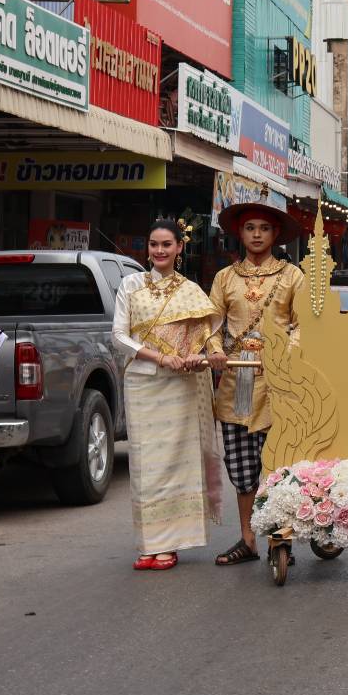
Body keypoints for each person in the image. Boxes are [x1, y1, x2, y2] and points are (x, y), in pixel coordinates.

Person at [112, 219, 226, 570]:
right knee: (145, 464)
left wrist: (200, 354)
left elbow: (207, 334)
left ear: (179, 248)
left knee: (177, 461)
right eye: (153, 244)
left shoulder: (190, 290)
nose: (159, 250)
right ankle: (149, 544)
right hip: (142, 382)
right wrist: (159, 357)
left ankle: (170, 544)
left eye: (166, 244)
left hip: (181, 384)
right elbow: (119, 336)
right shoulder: (130, 284)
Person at [207, 203, 304, 565]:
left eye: (264, 227)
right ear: (240, 233)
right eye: (250, 228)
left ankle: (281, 538)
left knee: (282, 467)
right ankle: (248, 539)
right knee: (243, 470)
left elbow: (303, 325)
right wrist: (215, 351)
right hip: (238, 382)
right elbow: (211, 325)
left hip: (280, 385)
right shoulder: (224, 278)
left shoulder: (293, 276)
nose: (257, 234)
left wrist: (286, 355)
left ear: (275, 234)